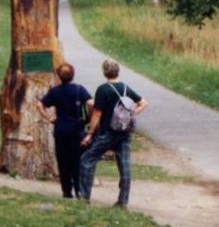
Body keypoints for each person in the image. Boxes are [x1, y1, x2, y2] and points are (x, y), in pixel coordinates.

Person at [79, 59, 148, 207]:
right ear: (118, 71)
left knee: (87, 159)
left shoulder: (103, 89)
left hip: (107, 133)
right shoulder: (125, 88)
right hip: (124, 132)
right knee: (125, 167)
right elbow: (143, 103)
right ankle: (123, 201)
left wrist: (90, 133)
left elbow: (97, 114)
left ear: (104, 72)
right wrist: (131, 114)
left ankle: (84, 197)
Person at [37, 63, 93, 199]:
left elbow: (40, 104)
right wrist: (89, 118)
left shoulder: (55, 91)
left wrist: (49, 118)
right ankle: (79, 190)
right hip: (76, 128)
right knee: (77, 160)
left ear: (59, 76)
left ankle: (66, 191)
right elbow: (91, 103)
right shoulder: (79, 90)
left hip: (61, 128)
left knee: (63, 161)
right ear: (72, 75)